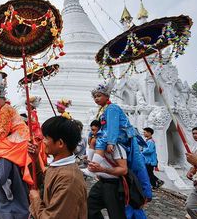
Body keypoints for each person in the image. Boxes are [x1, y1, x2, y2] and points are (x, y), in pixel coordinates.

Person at [90, 82, 152, 219]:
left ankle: (145, 193)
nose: (96, 99)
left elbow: (112, 126)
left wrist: (111, 142)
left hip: (123, 138)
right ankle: (93, 165)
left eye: (99, 96)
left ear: (107, 96)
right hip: (113, 140)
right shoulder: (103, 110)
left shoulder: (112, 108)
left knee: (136, 167)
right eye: (94, 97)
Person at [0, 77, 40, 219]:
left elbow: (2, 131)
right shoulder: (5, 108)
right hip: (19, 138)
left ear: (2, 98)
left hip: (19, 139)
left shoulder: (5, 109)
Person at [28, 116, 87, 219]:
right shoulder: (58, 166)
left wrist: (36, 200)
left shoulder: (68, 179)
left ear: (60, 143)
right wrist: (35, 159)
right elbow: (45, 184)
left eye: (46, 138)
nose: (43, 141)